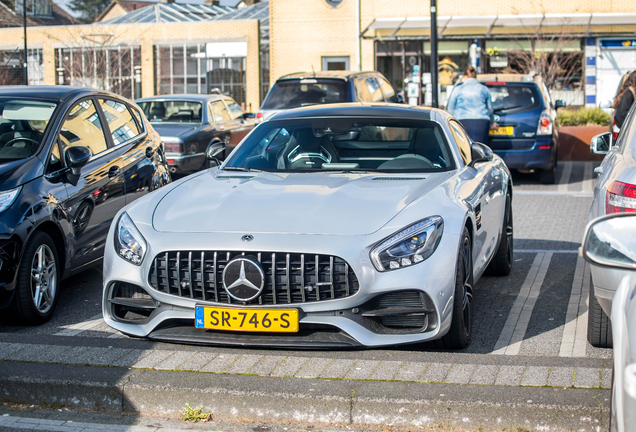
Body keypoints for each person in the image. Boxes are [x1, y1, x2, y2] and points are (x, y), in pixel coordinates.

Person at [446, 67, 496, 144]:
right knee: (480, 148)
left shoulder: (458, 89)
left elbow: (450, 108)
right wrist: (492, 123)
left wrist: (449, 122)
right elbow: (490, 109)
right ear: (475, 76)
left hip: (462, 121)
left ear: (465, 76)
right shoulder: (484, 89)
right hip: (482, 122)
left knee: (464, 148)